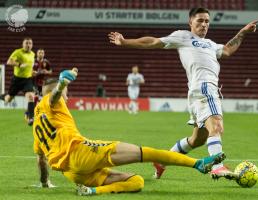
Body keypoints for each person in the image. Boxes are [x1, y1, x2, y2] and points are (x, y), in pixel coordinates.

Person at [108, 7, 258, 180]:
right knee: (216, 126)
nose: (204, 24)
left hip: (200, 91)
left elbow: (226, 50)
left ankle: (162, 161)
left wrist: (243, 32)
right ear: (190, 22)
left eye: (207, 21)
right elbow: (153, 42)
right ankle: (218, 167)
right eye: (200, 20)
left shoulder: (210, 44)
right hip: (204, 88)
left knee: (197, 140)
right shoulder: (184, 36)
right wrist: (125, 42)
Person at [32, 68, 225, 196]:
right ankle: (197, 163)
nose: (67, 97)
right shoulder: (50, 100)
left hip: (73, 174)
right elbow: (54, 96)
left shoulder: (37, 123)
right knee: (145, 153)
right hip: (80, 153)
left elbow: (41, 160)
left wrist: (44, 183)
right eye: (66, 95)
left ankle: (91, 192)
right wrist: (61, 85)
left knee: (137, 182)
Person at [0, 37, 35, 126]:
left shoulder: (33, 54)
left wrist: (32, 72)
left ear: (32, 45)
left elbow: (29, 66)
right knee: (8, 99)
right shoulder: (18, 52)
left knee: (31, 96)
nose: (28, 45)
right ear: (23, 44)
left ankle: (31, 117)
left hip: (27, 80)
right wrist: (19, 64)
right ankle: (2, 96)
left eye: (30, 43)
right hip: (17, 80)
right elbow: (9, 62)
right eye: (26, 43)